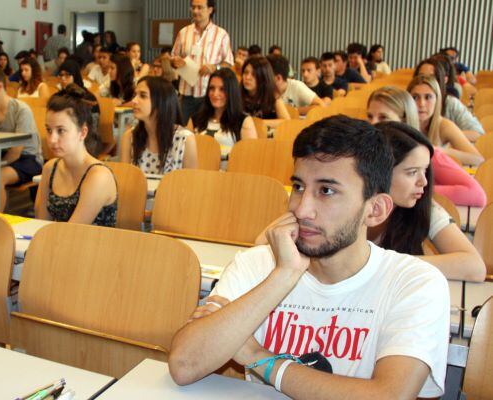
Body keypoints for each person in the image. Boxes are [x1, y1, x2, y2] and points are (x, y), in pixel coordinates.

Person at [169, 115, 449, 399]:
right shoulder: (258, 264)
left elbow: (388, 396)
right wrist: (284, 274)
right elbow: (184, 365)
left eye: (326, 191)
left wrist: (257, 356)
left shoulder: (415, 283)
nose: (302, 210)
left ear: (375, 209)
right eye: (299, 187)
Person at [368, 121, 486, 282]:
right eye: (412, 172)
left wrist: (393, 264)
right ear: (381, 172)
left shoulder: (424, 206)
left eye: (424, 170)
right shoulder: (346, 205)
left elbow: (475, 267)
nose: (423, 182)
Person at [366, 86, 487, 208]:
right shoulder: (367, 152)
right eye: (370, 117)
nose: (373, 124)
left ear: (404, 122)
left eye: (383, 117)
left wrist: (415, 190)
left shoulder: (428, 156)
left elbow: (477, 194)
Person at [35, 85, 118, 227]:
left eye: (61, 130)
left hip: (91, 247)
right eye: (49, 130)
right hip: (58, 243)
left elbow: (72, 233)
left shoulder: (99, 176)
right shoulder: (50, 168)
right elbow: (41, 224)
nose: (52, 139)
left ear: (83, 132)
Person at [0, 65, 43, 211]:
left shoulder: (21, 110)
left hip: (28, 159)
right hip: (0, 156)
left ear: (0, 86)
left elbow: (16, 151)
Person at [170, 0, 234, 125]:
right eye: (193, 7)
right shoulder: (183, 32)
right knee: (180, 130)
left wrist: (215, 67)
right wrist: (175, 62)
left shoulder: (221, 35)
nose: (195, 11)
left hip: (209, 94)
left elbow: (229, 63)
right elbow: (173, 57)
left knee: (205, 132)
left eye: (200, 8)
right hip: (186, 93)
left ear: (210, 9)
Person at [120, 76, 198, 174]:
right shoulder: (129, 137)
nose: (134, 101)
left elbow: (191, 184)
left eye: (143, 96)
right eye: (135, 95)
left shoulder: (185, 139)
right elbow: (125, 181)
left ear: (161, 102)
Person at [407, 75, 483, 166]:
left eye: (428, 97)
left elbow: (477, 159)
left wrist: (438, 151)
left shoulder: (443, 125)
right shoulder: (400, 121)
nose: (422, 104)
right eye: (415, 97)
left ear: (437, 100)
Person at [414, 57, 484, 142]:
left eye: (432, 77)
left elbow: (478, 133)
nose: (426, 81)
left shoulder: (451, 103)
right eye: (422, 76)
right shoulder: (408, 101)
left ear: (444, 80)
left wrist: (447, 136)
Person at [192, 68, 257, 147]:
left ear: (231, 92)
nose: (215, 94)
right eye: (212, 88)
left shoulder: (243, 121)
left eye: (222, 89)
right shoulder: (196, 118)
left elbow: (251, 156)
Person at [241, 56, 290, 128]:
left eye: (254, 74)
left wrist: (257, 123)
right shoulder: (237, 95)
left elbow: (286, 122)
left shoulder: (273, 97)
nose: (247, 77)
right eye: (246, 72)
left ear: (263, 77)